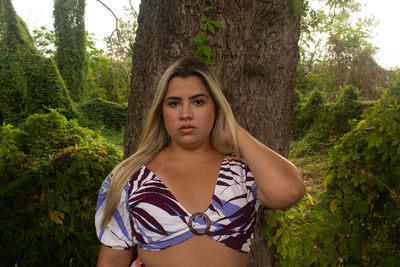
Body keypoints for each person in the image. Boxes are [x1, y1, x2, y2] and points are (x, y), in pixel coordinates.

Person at [95, 57, 305, 267]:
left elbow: (290, 192)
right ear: (162, 111)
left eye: (198, 102)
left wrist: (237, 134)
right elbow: (112, 262)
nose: (186, 114)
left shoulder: (242, 171)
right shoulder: (130, 178)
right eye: (174, 103)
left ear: (215, 107)